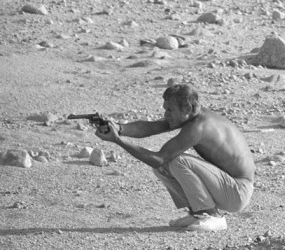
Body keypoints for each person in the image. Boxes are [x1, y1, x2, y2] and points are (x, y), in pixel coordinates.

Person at [95, 84, 255, 232]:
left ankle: (213, 217)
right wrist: (118, 128)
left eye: (170, 110)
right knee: (163, 167)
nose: (166, 115)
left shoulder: (198, 126)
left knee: (176, 161)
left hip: (237, 191)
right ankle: (198, 212)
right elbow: (152, 127)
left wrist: (117, 140)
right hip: (228, 186)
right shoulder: (192, 115)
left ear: (187, 108)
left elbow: (157, 158)